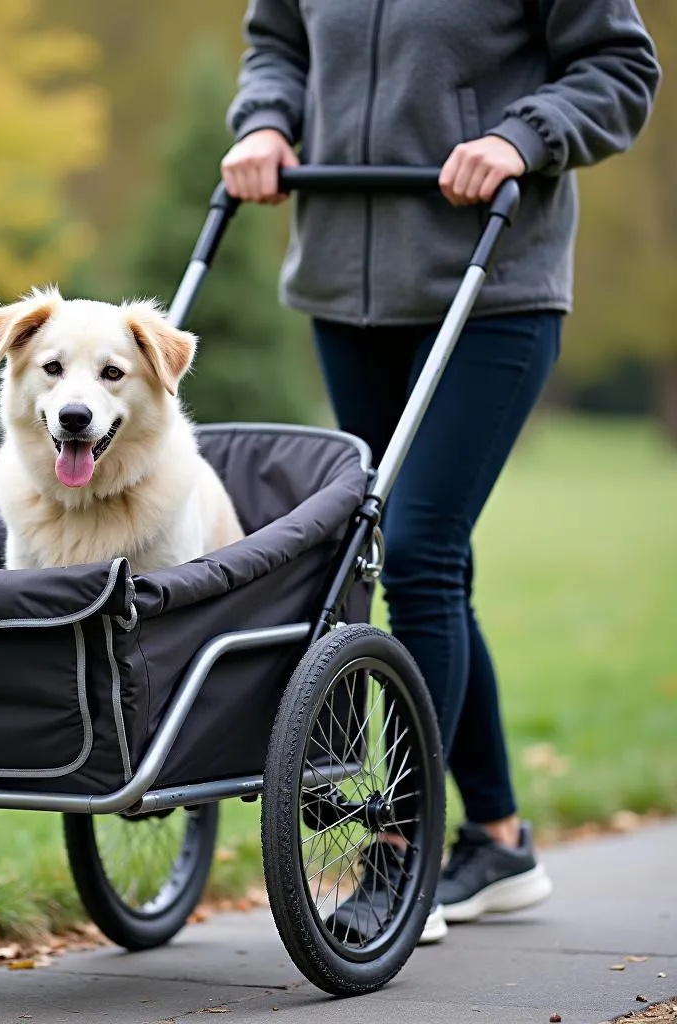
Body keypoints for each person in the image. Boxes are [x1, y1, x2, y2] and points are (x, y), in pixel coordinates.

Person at [222, 0, 660, 943]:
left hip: (494, 281)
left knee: (417, 547)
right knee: (418, 563)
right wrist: (265, 118)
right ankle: (498, 840)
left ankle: (398, 856)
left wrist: (521, 136)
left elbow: (621, 70)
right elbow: (279, 47)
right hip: (346, 287)